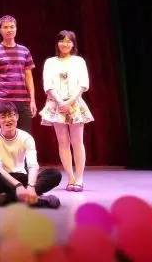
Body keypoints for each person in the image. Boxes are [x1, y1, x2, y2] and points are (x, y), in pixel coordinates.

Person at [40, 30, 94, 192]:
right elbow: (48, 84)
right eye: (62, 41)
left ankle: (80, 178)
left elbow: (83, 84)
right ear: (57, 43)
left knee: (77, 142)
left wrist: (69, 102)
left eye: (69, 41)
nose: (65, 44)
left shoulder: (78, 61)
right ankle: (70, 177)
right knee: (63, 143)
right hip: (56, 104)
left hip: (75, 103)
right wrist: (60, 102)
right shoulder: (50, 62)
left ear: (73, 44)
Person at [0, 101, 62, 208]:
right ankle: (37, 200)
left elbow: (32, 165)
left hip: (22, 177)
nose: (8, 120)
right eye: (3, 117)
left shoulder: (26, 137)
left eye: (11, 115)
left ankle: (8, 198)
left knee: (54, 174)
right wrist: (18, 185)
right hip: (3, 180)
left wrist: (31, 186)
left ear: (17, 116)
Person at [0, 16, 37, 132]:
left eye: (11, 27)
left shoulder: (24, 51)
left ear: (16, 28)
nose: (9, 30)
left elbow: (29, 78)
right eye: (5, 27)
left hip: (23, 100)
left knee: (25, 134)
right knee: (6, 134)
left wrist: (32, 100)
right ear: (0, 30)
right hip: (3, 100)